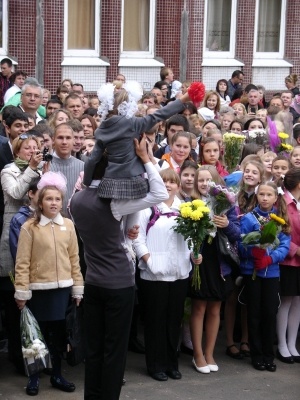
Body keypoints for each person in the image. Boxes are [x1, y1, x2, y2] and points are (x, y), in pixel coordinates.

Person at [70, 134, 169, 400]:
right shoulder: (115, 202)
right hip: (119, 285)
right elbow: (160, 193)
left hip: (93, 283)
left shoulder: (76, 201)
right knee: (114, 350)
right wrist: (146, 160)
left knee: (94, 348)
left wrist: (126, 234)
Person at [14, 171, 84, 396]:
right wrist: (21, 292)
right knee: (37, 336)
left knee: (58, 336)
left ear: (62, 202)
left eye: (57, 199)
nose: (53, 203)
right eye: (48, 199)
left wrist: (77, 288)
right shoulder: (29, 227)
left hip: (62, 291)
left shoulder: (68, 226)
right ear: (40, 202)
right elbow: (22, 262)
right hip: (38, 292)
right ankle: (34, 377)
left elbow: (74, 259)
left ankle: (56, 375)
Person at [134, 168, 201, 381]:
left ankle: (172, 363)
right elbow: (137, 239)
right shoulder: (146, 207)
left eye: (172, 182)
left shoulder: (186, 209)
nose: (168, 186)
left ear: (178, 186)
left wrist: (194, 255)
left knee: (174, 320)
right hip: (154, 275)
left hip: (179, 273)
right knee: (155, 321)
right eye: (163, 182)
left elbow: (191, 238)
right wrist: (150, 262)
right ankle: (156, 365)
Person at [83, 82, 193, 196]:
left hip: (110, 184)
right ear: (127, 105)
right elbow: (159, 115)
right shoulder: (133, 123)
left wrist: (87, 182)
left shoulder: (102, 129)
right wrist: (184, 99)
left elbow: (92, 160)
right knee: (159, 197)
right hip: (133, 184)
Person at [190, 166, 240, 373]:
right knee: (199, 308)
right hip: (200, 262)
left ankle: (210, 353)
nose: (204, 184)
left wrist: (226, 224)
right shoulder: (190, 204)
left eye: (208, 180)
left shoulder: (226, 205)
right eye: (200, 180)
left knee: (215, 309)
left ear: (216, 183)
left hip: (219, 263)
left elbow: (237, 234)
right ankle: (197, 354)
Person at [238, 182, 291, 372]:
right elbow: (241, 242)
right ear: (257, 196)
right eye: (262, 194)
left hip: (271, 273)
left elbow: (284, 246)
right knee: (254, 314)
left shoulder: (279, 219)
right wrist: (252, 253)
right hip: (252, 272)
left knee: (269, 313)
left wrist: (269, 259)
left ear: (275, 198)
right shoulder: (249, 218)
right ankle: (256, 354)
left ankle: (269, 355)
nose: (265, 198)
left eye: (269, 195)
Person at [276, 170, 300, 364]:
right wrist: (295, 249)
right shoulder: (282, 201)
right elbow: (275, 230)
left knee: (298, 301)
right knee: (285, 301)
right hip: (288, 259)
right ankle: (282, 345)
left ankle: (292, 344)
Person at [50, 123, 84, 214]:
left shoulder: (83, 167)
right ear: (53, 140)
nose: (64, 142)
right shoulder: (44, 166)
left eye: (68, 138)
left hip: (77, 222)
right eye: (60, 138)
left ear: (73, 140)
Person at [9, 177, 40, 263]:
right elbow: (18, 252)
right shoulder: (19, 219)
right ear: (31, 194)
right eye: (42, 193)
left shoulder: (53, 218)